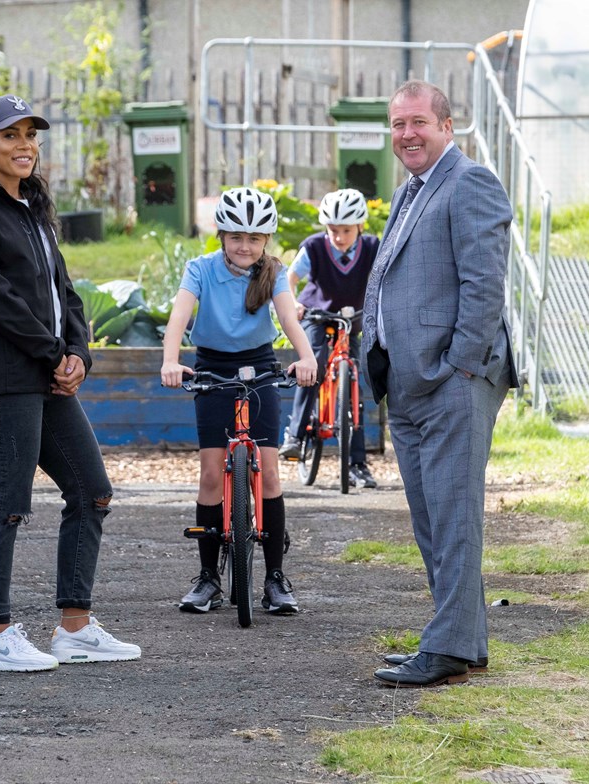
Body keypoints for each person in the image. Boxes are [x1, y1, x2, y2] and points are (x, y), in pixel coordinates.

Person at [0, 93, 141, 672]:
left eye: (31, 135)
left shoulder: (31, 207)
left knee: (91, 490)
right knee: (7, 504)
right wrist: (53, 353)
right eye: (10, 136)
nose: (24, 145)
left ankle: (74, 628)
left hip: (47, 375)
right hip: (2, 379)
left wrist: (78, 350)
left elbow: (63, 291)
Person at [364, 81, 516, 688]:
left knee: (452, 517)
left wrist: (461, 365)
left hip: (453, 378)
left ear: (447, 126)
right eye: (398, 124)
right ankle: (465, 641)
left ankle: (449, 646)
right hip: (409, 381)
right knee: (433, 518)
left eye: (419, 122)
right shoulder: (411, 191)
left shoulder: (468, 182)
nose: (406, 135)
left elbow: (485, 285)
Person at [160, 186, 318, 616]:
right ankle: (208, 577)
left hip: (260, 368)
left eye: (253, 237)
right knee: (211, 474)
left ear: (266, 239)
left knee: (268, 474)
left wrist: (306, 357)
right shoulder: (201, 269)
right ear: (221, 236)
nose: (244, 246)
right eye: (235, 237)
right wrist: (171, 361)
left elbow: (287, 316)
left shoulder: (274, 272)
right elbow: (179, 316)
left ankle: (274, 578)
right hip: (211, 369)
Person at [278, 188, 380, 489]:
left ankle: (357, 465)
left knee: (355, 385)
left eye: (346, 230)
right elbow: (290, 278)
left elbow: (389, 276)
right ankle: (295, 434)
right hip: (317, 316)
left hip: (354, 320)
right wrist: (293, 302)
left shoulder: (373, 247)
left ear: (360, 226)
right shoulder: (314, 247)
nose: (338, 236)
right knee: (314, 366)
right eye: (333, 230)